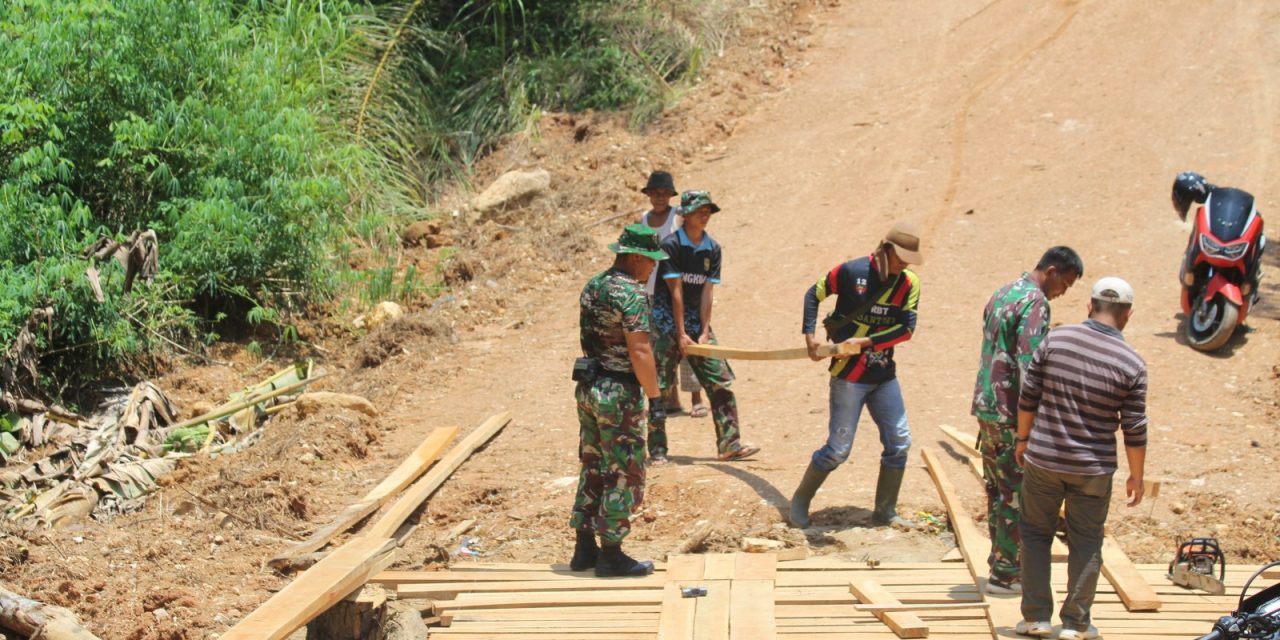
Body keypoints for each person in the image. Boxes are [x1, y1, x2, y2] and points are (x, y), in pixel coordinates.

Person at [1014, 277, 1148, 639]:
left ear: (1090, 306)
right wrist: (1136, 477)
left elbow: (1028, 396)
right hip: (1093, 469)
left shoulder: (1055, 340)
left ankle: (1036, 618)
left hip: (1044, 459)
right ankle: (1075, 624)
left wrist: (1023, 439)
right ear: (1128, 315)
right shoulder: (1132, 363)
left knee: (1035, 534)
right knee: (1086, 541)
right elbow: (1134, 429)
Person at [790, 220, 923, 529]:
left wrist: (865, 343)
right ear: (885, 250)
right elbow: (814, 293)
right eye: (900, 257)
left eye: (908, 261)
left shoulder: (909, 284)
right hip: (849, 375)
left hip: (884, 376)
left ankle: (885, 511)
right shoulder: (851, 272)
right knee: (838, 450)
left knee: (900, 442)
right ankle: (800, 500)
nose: (903, 265)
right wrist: (809, 334)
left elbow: (906, 330)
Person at [971, 247, 1084, 595]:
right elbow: (1030, 364)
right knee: (1016, 492)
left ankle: (999, 561)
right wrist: (1032, 425)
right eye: (1063, 283)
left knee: (995, 489)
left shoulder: (1004, 291)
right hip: (1010, 412)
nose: (1062, 292)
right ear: (1051, 271)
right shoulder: (1035, 303)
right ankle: (1007, 574)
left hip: (987, 406)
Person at [568, 224, 668, 577]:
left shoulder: (594, 285)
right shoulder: (631, 292)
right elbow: (639, 349)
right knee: (624, 470)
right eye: (651, 261)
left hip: (588, 387)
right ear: (636, 256)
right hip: (618, 393)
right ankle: (611, 553)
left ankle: (584, 548)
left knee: (593, 464)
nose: (653, 268)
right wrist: (655, 397)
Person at [649, 190, 761, 464]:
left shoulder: (713, 249)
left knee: (719, 380)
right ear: (685, 214)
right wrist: (680, 333)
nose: (705, 214)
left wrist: (704, 330)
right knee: (660, 388)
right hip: (666, 325)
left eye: (708, 210)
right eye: (700, 209)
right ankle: (657, 450)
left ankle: (729, 444)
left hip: (697, 325)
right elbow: (675, 291)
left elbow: (707, 292)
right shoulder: (671, 246)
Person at [637, 171, 706, 418]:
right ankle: (672, 400)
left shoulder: (677, 217)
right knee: (660, 347)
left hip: (679, 289)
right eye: (654, 193)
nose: (659, 197)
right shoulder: (642, 220)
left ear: (670, 195)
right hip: (652, 292)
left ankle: (697, 398)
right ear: (648, 195)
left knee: (688, 341)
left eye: (663, 193)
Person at [1171, 172, 1266, 301]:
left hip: (1234, 255)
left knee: (1260, 242)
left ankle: (1252, 282)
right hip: (1213, 244)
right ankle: (1192, 272)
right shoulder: (1207, 194)